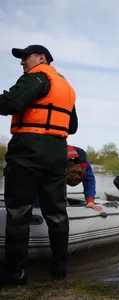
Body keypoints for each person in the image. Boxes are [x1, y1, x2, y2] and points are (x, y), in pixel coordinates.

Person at [0, 44, 78, 286]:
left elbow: (9, 104)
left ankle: (16, 275)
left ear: (41, 58)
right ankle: (59, 269)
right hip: (56, 153)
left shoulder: (36, 77)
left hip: (28, 151)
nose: (22, 63)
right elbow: (72, 126)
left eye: (26, 57)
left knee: (18, 212)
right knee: (56, 212)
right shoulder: (66, 86)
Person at [65, 144, 102, 212]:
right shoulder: (54, 162)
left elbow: (89, 180)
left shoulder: (84, 164)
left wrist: (90, 201)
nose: (77, 176)